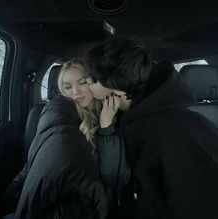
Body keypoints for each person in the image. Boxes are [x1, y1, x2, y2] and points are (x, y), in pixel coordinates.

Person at [83, 36, 218, 219]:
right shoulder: (131, 114)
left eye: (93, 79)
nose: (87, 84)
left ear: (117, 88)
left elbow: (198, 204)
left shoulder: (174, 131)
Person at [2, 58, 131, 218]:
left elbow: (114, 176)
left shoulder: (115, 115)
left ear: (94, 82)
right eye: (67, 87)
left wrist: (106, 128)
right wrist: (13, 194)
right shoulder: (61, 112)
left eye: (82, 83)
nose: (75, 92)